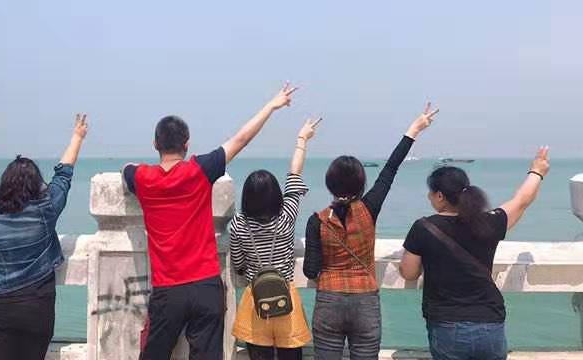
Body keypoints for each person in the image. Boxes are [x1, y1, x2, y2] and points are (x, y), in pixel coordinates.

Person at [123, 83, 299, 360]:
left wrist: (132, 167)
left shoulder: (142, 178)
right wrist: (271, 106)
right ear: (187, 143)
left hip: (168, 289)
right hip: (206, 285)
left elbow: (127, 169)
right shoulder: (200, 170)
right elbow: (241, 139)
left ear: (155, 144)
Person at [303, 103, 439, 360]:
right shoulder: (369, 209)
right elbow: (390, 169)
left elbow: (310, 271)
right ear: (361, 183)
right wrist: (414, 129)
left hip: (329, 301)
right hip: (365, 300)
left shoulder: (316, 221)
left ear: (329, 184)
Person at [399, 146, 550, 360]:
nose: (428, 196)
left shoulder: (423, 227)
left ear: (440, 196)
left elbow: (409, 273)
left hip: (447, 325)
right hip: (490, 322)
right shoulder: (489, 222)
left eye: (431, 192)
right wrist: (537, 171)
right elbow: (521, 201)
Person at [0, 114, 89, 360]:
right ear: (36, 184)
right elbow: (63, 176)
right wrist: (77, 137)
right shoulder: (46, 209)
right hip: (37, 304)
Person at [230, 117, 322, 360]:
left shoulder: (239, 224)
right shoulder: (286, 217)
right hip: (286, 300)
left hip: (255, 302)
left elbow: (238, 265)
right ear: (276, 196)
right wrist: (302, 139)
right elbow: (294, 174)